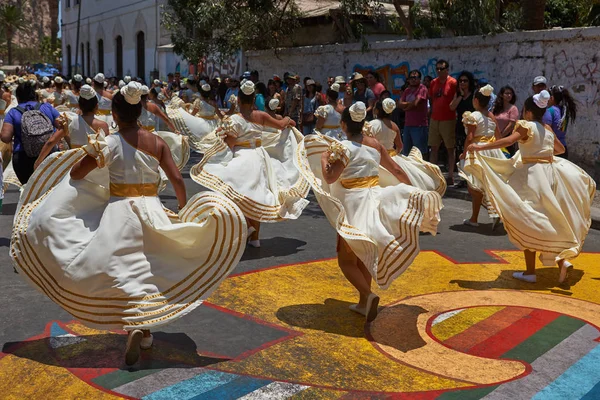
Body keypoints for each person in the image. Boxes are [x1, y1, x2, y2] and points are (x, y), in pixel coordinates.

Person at [11, 81, 247, 366]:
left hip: (119, 212)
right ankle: (142, 329)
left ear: (117, 115)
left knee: (124, 270)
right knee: (149, 268)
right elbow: (176, 179)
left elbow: (75, 174)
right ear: (138, 114)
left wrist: (94, 159)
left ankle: (136, 326)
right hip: (152, 209)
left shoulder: (109, 142)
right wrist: (183, 207)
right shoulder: (157, 142)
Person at [296, 102, 443, 322]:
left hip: (353, 204)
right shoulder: (374, 145)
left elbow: (329, 178)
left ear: (344, 124)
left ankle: (368, 294)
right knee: (365, 253)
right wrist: (411, 189)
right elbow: (395, 169)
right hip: (374, 198)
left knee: (346, 261)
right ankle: (364, 302)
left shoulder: (342, 148)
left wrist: (325, 159)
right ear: (362, 123)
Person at [464, 90, 595, 284]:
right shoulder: (547, 129)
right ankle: (562, 261)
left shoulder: (526, 126)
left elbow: (508, 141)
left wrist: (480, 147)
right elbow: (560, 149)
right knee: (550, 219)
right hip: (550, 175)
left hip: (531, 177)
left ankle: (531, 271)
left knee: (526, 219)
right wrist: (542, 151)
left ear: (528, 112)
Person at [190, 80, 310, 248]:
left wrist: (218, 150)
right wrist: (289, 118)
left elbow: (230, 144)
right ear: (253, 99)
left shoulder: (234, 120)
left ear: (238, 100)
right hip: (260, 157)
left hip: (242, 157)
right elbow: (283, 125)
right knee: (257, 194)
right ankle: (255, 237)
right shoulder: (261, 115)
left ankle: (244, 229)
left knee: (240, 194)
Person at [369, 98, 446, 195]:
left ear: (377, 110)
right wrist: (394, 154)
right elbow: (400, 146)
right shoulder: (394, 126)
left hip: (379, 158)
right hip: (392, 157)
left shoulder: (373, 124)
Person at [458, 85, 505, 229]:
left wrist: (465, 153)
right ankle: (489, 213)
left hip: (477, 150)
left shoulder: (473, 116)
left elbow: (470, 137)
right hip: (492, 151)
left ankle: (476, 218)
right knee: (489, 183)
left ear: (476, 100)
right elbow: (498, 137)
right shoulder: (491, 116)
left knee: (475, 186)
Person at [35, 85, 110, 170]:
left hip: (75, 167)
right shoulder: (103, 125)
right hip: (95, 169)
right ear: (96, 106)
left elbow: (50, 142)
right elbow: (107, 151)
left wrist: (38, 163)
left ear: (79, 105)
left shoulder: (69, 121)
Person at [0, 79, 60, 184]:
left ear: (18, 97)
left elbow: (5, 137)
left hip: (23, 158)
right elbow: (62, 125)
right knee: (50, 189)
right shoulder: (46, 107)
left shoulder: (13, 112)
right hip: (50, 154)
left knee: (28, 190)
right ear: (35, 95)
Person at [429, 60, 458, 186]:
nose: (439, 71)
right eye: (437, 69)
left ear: (447, 70)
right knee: (433, 147)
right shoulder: (433, 82)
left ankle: (450, 175)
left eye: (442, 68)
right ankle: (433, 175)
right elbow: (432, 98)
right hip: (435, 118)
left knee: (450, 148)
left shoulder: (453, 83)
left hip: (448, 119)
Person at [399, 70, 429, 156]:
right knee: (406, 152)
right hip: (408, 125)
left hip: (419, 125)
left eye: (415, 78)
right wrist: (409, 104)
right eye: (411, 78)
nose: (413, 80)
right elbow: (400, 104)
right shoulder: (407, 90)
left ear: (419, 79)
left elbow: (416, 103)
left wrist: (406, 107)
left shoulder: (422, 88)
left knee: (419, 153)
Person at [543, 85, 577, 159]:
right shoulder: (564, 112)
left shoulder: (549, 111)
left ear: (551, 98)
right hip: (563, 148)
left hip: (552, 149)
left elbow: (546, 132)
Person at [450, 71, 476, 166]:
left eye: (465, 81)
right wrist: (461, 95)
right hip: (460, 127)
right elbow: (452, 107)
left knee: (471, 151)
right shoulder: (457, 95)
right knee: (460, 152)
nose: (462, 83)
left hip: (472, 127)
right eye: (460, 81)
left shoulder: (474, 95)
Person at [492, 86, 519, 155]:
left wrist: (501, 136)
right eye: (506, 93)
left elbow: (511, 125)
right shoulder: (496, 108)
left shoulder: (513, 109)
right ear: (501, 95)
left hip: (507, 139)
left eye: (510, 93)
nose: (509, 95)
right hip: (494, 138)